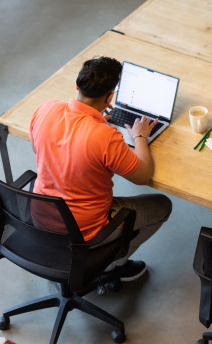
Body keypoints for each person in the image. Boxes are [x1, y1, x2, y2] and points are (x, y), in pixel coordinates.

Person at [29, 56, 173, 281]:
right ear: (109, 98)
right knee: (162, 206)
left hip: (41, 218)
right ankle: (112, 266)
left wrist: (93, 123)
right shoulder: (105, 137)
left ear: (77, 86)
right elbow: (143, 176)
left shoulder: (46, 109)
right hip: (86, 232)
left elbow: (38, 147)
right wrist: (140, 137)